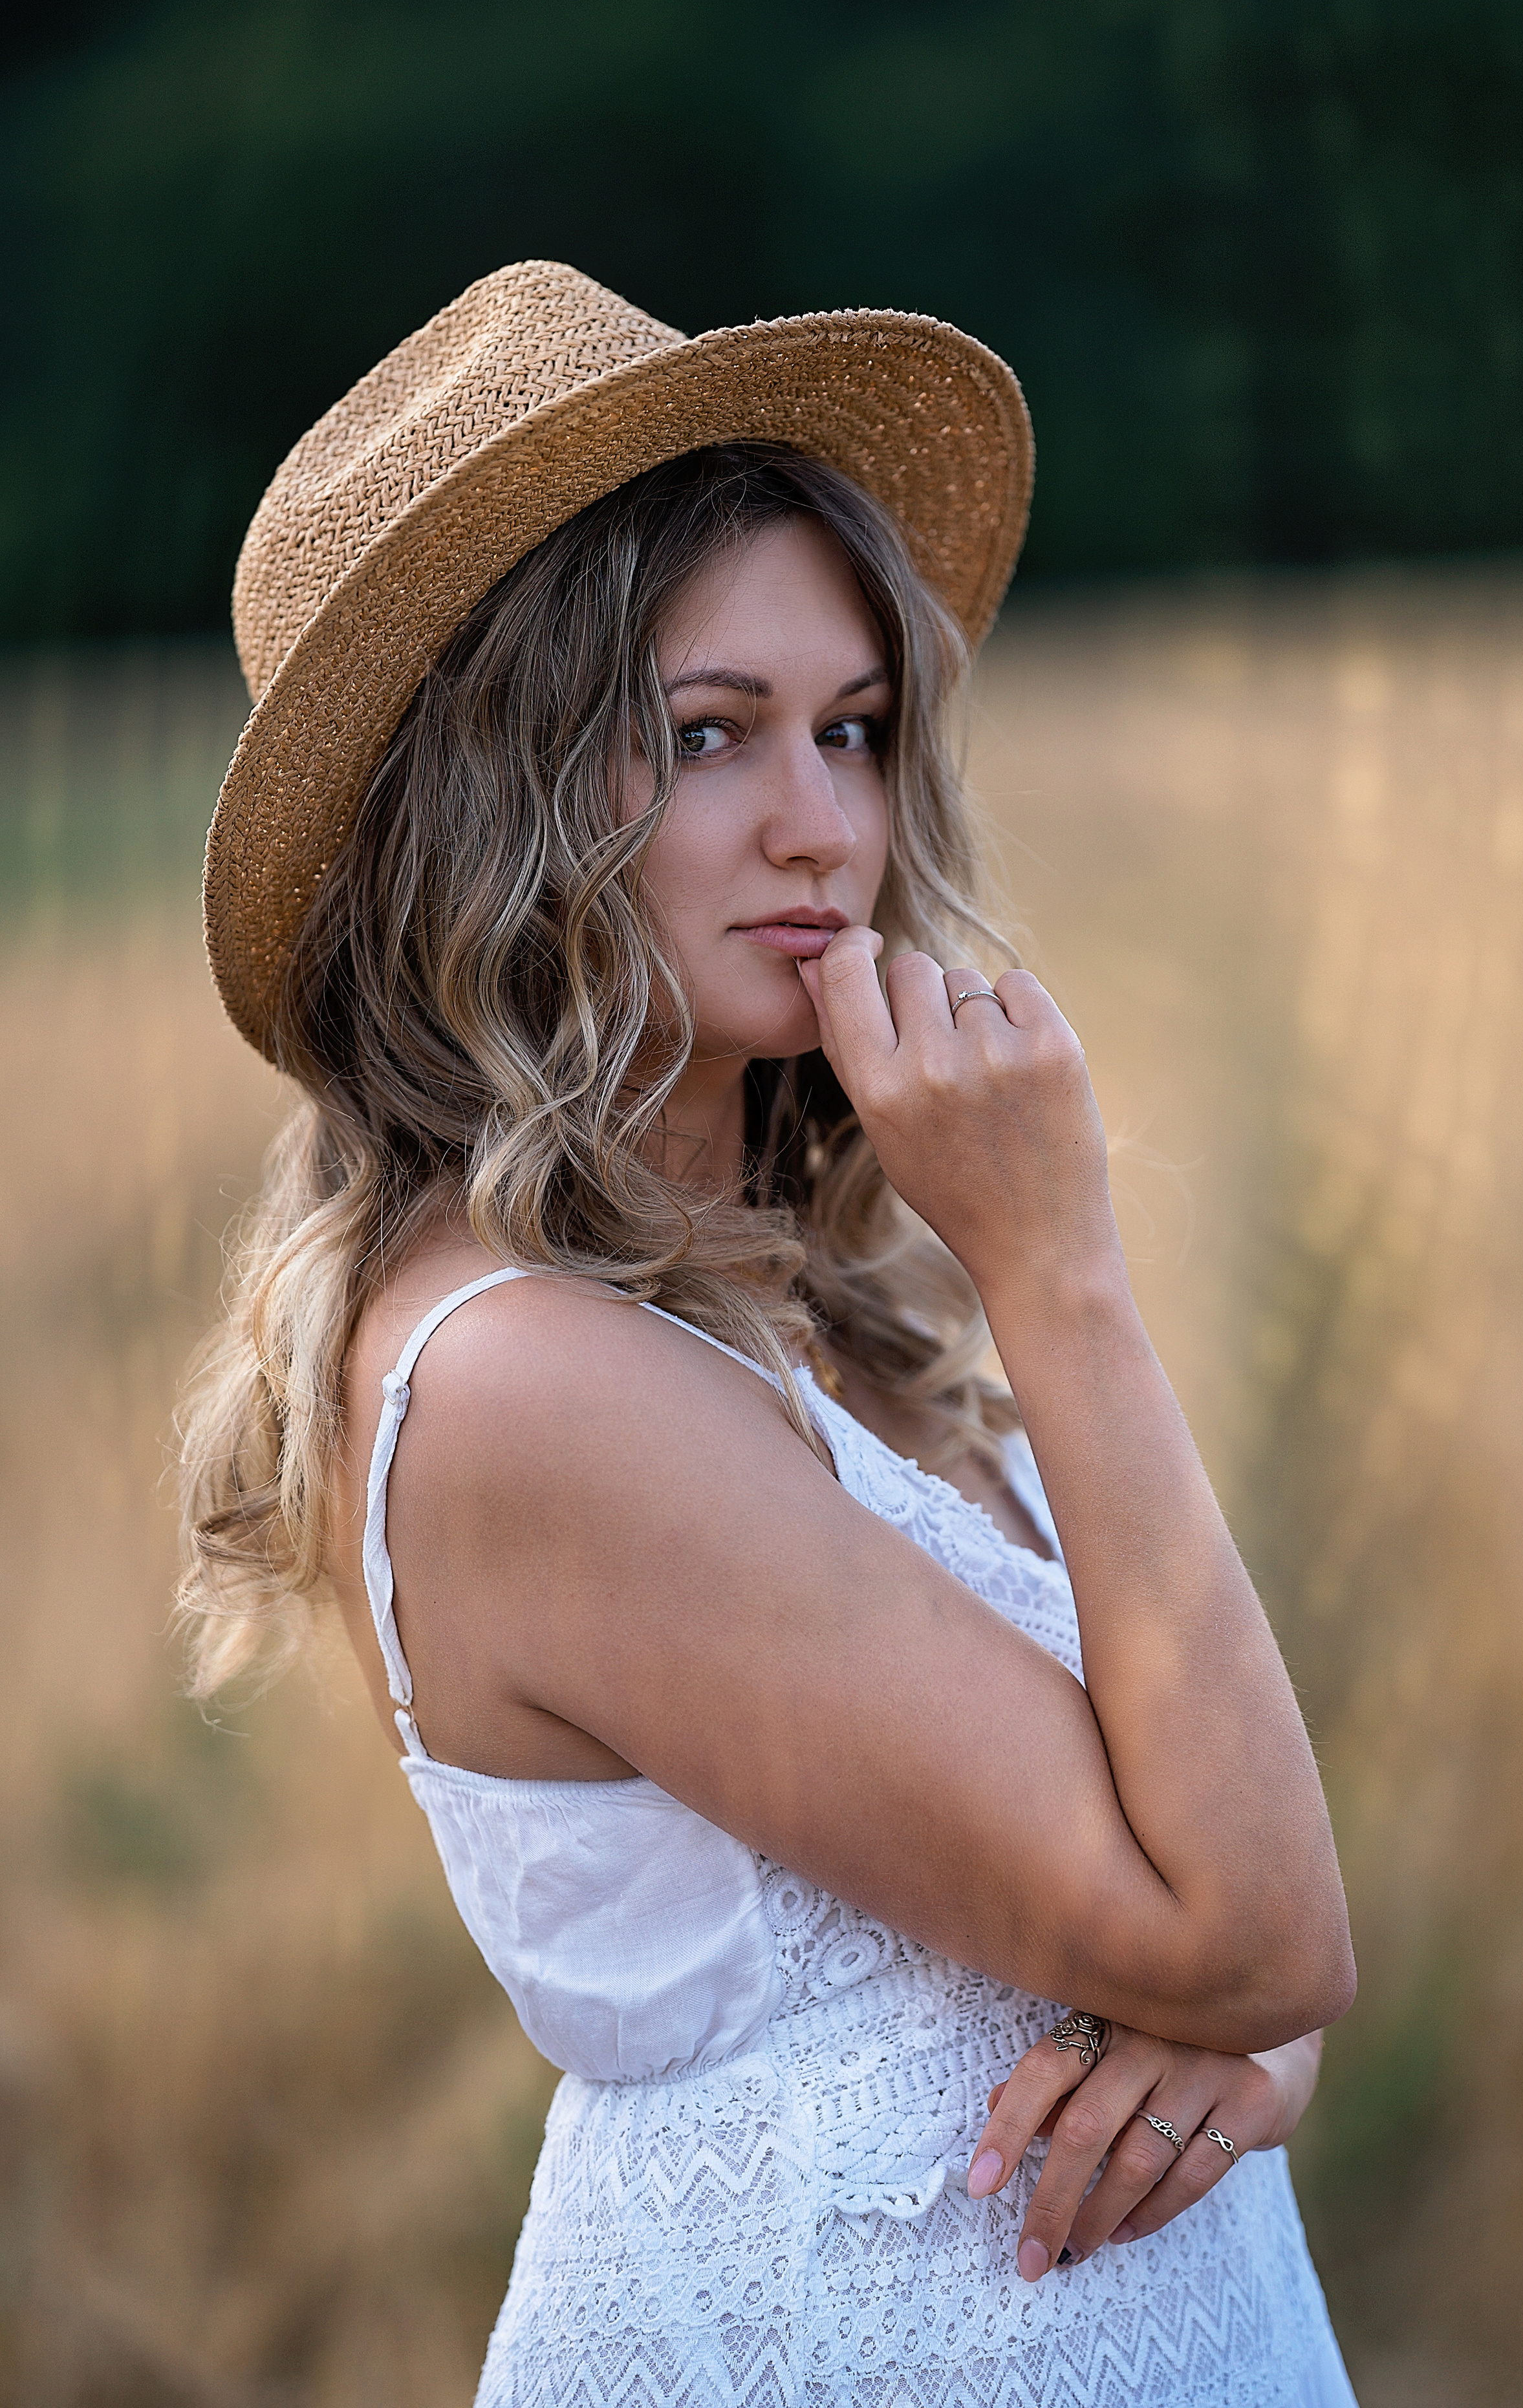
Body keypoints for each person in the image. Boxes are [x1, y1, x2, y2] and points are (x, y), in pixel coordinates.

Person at [178, 262, 1358, 2406]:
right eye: (711, 735)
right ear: (489, 799)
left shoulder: (807, 1310)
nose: (825, 822)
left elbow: (1240, 1897)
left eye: (857, 729)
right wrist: (1062, 1274)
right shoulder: (528, 1382)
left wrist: (1253, 2047)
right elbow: (1259, 1919)